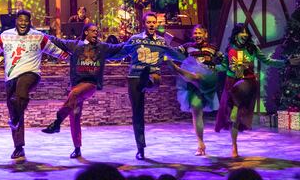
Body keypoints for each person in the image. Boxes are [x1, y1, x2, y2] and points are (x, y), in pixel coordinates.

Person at [0, 9, 68, 160]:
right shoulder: (6, 35)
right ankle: (18, 147)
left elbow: (54, 50)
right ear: (16, 21)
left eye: (26, 21)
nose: (23, 23)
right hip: (10, 78)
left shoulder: (38, 36)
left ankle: (15, 120)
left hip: (31, 73)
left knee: (21, 92)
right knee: (15, 108)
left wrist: (71, 58)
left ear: (30, 22)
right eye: (20, 20)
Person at [214, 23, 300, 157]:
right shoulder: (230, 49)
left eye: (246, 32)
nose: (244, 35)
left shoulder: (252, 48)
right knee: (234, 120)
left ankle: (236, 105)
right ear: (236, 34)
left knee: (240, 87)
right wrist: (213, 66)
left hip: (247, 82)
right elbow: (224, 67)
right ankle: (234, 145)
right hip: (230, 83)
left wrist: (286, 62)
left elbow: (267, 61)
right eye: (241, 32)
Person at [41, 22, 123, 158]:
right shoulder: (75, 45)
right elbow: (57, 41)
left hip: (90, 84)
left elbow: (119, 47)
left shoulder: (102, 47)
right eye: (93, 31)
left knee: (74, 94)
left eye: (97, 31)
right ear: (86, 32)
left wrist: (135, 41)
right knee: (75, 117)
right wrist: (38, 34)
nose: (96, 33)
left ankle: (57, 122)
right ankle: (77, 148)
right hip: (76, 85)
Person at [117, 11, 184, 160]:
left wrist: (190, 52)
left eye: (154, 22)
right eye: (149, 22)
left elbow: (176, 54)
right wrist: (101, 54)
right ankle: (140, 147)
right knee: (137, 113)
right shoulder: (135, 40)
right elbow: (120, 52)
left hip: (153, 77)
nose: (152, 24)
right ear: (144, 24)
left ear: (157, 24)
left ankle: (148, 78)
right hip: (134, 77)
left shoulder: (161, 41)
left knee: (153, 79)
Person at [167, 24, 222, 156]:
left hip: (207, 81)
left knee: (199, 75)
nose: (197, 35)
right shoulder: (187, 47)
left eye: (199, 33)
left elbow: (224, 62)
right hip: (193, 85)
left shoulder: (213, 49)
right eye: (195, 33)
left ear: (205, 34)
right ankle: (200, 144)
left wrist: (216, 68)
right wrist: (165, 44)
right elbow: (173, 52)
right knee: (196, 111)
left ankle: (178, 70)